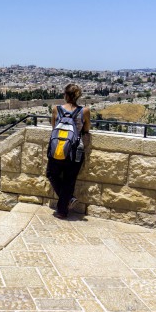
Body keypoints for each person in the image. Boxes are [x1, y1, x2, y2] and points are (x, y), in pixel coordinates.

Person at [46, 83, 91, 219]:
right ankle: (62, 210)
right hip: (75, 151)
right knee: (69, 180)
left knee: (51, 174)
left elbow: (54, 128)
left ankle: (68, 200)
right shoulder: (84, 111)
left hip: (57, 149)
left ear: (65, 95)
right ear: (78, 96)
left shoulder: (56, 109)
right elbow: (87, 129)